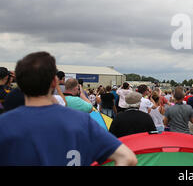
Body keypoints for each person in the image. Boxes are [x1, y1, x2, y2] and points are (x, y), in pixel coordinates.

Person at [0, 51, 137, 166]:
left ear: (19, 84)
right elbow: (127, 157)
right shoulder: (81, 121)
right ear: (55, 82)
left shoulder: (4, 124)